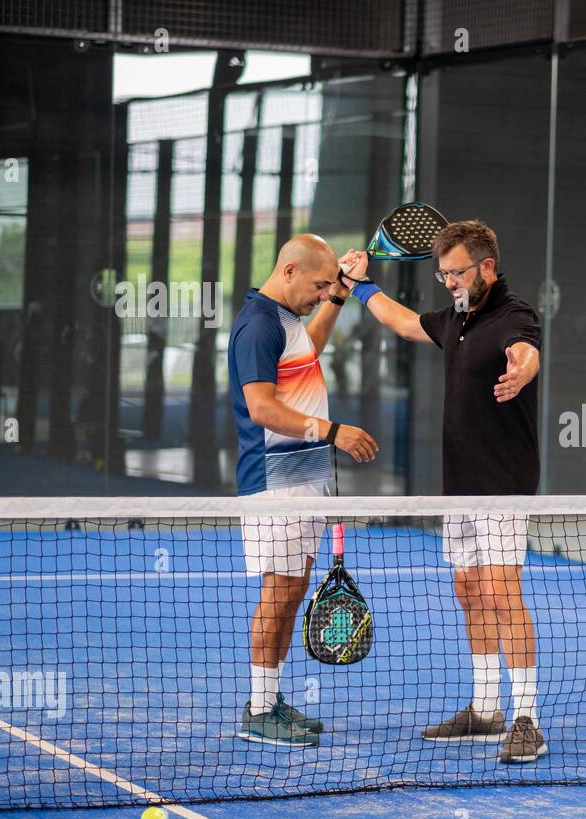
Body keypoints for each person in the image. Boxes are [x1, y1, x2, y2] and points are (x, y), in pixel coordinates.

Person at [342, 220, 545, 762]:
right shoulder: (455, 318)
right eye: (442, 273)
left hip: (503, 485)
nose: (448, 282)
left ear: (486, 267)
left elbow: (526, 352)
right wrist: (362, 286)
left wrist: (521, 372)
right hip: (458, 484)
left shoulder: (514, 314)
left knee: (504, 594)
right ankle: (484, 709)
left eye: (456, 273)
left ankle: (527, 718)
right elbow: (406, 323)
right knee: (470, 592)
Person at [228, 234, 378, 746]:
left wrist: (340, 293)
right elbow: (262, 409)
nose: (320, 293)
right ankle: (259, 708)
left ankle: (270, 700)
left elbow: (309, 349)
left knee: (293, 591)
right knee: (280, 591)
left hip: (304, 475)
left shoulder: (287, 319)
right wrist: (335, 432)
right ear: (288, 271)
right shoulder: (257, 325)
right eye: (317, 284)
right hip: (276, 480)